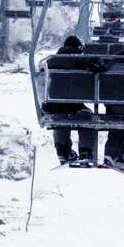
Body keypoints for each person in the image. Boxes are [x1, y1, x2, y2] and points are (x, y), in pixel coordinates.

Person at [43, 35, 98, 164]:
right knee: (87, 116)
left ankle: (62, 150)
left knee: (60, 118)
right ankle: (85, 151)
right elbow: (93, 66)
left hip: (52, 105)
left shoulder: (50, 61)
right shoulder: (79, 60)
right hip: (72, 105)